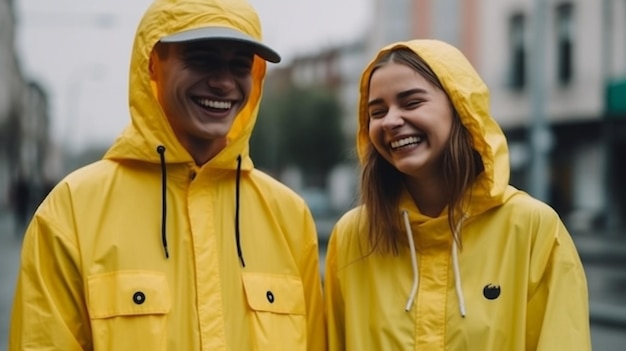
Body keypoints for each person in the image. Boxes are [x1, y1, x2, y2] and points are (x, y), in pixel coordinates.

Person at [9, 0, 326, 350]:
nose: (224, 82)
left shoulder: (289, 217)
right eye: (202, 59)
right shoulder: (71, 211)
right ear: (152, 64)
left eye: (240, 66)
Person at [324, 39, 590, 350]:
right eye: (377, 111)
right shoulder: (352, 237)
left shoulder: (533, 229)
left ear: (460, 108)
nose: (391, 121)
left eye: (411, 103)